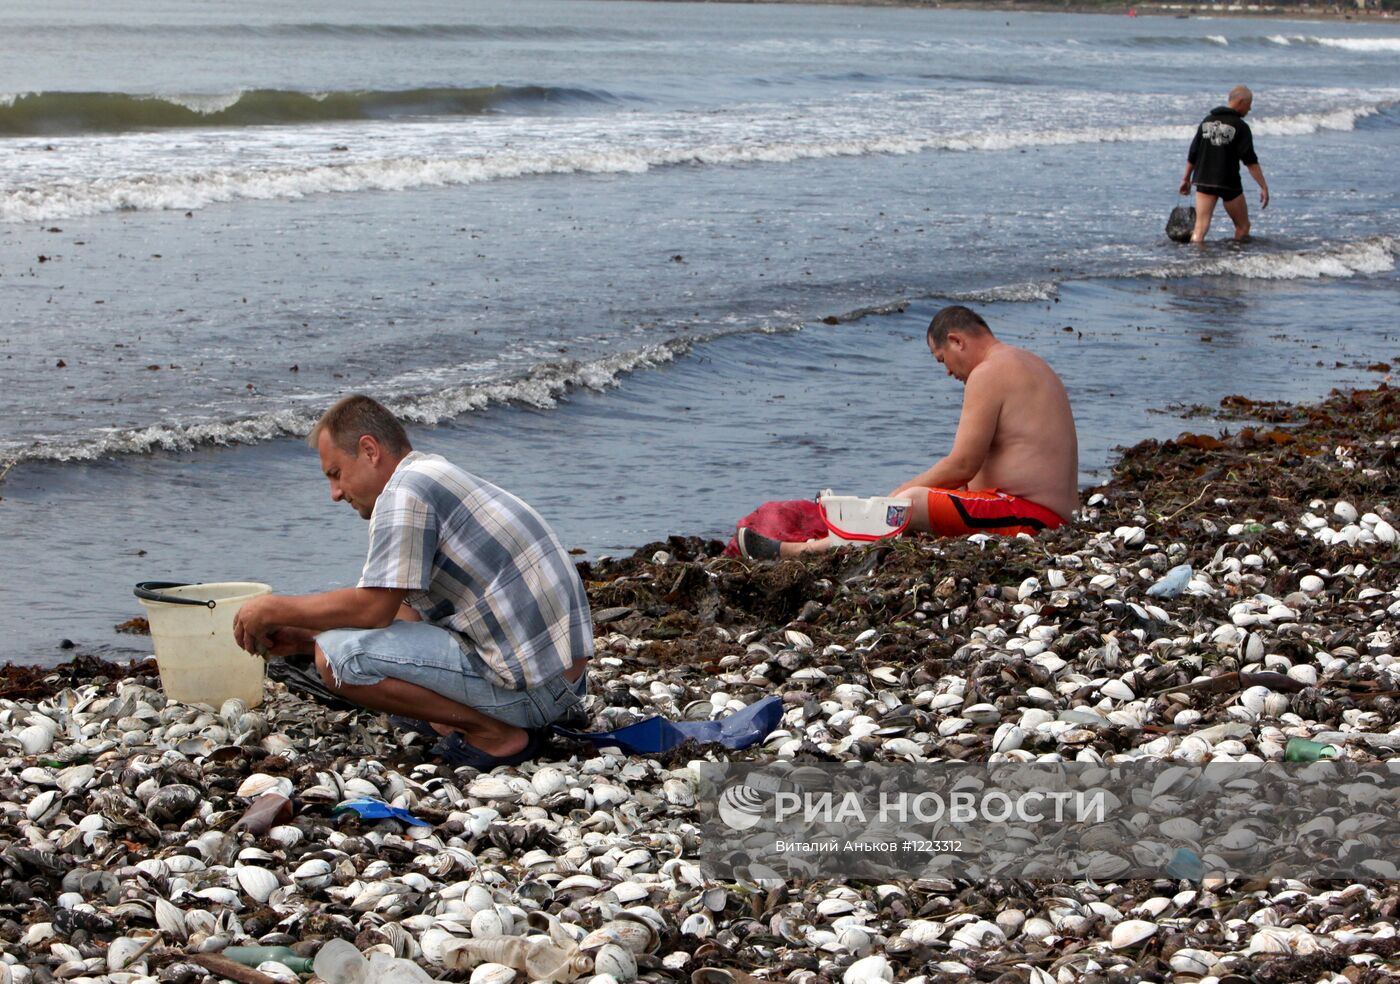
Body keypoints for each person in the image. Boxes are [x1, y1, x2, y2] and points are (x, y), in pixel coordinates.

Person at [231, 394, 593, 768]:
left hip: (536, 692)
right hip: (561, 683)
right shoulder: (429, 474)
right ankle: (480, 719)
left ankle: (496, 735)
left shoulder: (403, 493)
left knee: (339, 658)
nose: (335, 494)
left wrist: (275, 608)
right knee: (334, 650)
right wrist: (306, 639)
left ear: (369, 450)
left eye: (336, 473)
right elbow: (406, 614)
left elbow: (373, 610)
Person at [737, 306, 1078, 560]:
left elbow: (963, 464)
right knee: (920, 503)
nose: (947, 372)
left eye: (942, 359)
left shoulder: (988, 372)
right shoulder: (1025, 361)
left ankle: (804, 551)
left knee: (910, 503)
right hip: (1034, 509)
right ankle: (842, 537)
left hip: (1033, 515)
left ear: (956, 341)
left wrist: (893, 498)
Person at [1178, 85, 1269, 242]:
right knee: (1243, 226)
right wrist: (1263, 186)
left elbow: (1193, 153)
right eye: (1249, 105)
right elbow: (1250, 161)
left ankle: (1195, 256)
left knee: (1200, 228)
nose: (1249, 109)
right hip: (1228, 182)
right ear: (1241, 102)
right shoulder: (1240, 126)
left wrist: (1185, 179)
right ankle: (1237, 255)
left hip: (1204, 179)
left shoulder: (1207, 121)